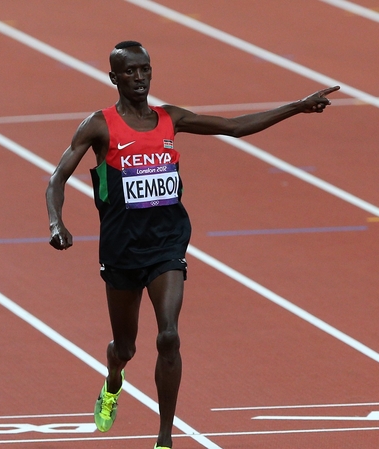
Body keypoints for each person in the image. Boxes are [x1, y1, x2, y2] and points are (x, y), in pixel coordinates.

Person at [46, 40, 339, 449]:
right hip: (121, 250)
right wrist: (56, 222)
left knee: (168, 336)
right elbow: (57, 178)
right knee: (126, 345)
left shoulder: (171, 119)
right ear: (114, 78)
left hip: (167, 244)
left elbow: (234, 127)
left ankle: (165, 438)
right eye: (129, 71)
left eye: (145, 69)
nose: (139, 78)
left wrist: (296, 106)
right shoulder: (99, 125)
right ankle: (114, 380)